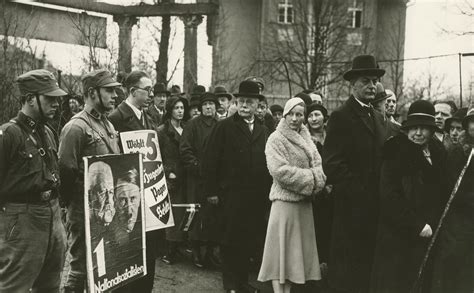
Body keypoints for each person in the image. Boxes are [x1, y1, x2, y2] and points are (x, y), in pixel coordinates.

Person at [322, 55, 388, 293]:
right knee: (347, 272)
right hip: (351, 210)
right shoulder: (342, 116)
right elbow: (332, 165)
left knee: (367, 270)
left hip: (375, 209)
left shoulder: (378, 117)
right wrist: (361, 193)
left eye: (374, 81)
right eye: (366, 81)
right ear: (353, 84)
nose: (372, 86)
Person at [370, 100, 448, 293]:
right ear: (407, 129)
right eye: (414, 128)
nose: (418, 133)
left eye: (424, 128)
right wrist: (417, 225)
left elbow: (443, 190)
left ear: (431, 130)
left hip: (429, 234)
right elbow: (390, 197)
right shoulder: (395, 152)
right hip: (399, 237)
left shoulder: (438, 153)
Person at [201, 80, 272, 293]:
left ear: (258, 104)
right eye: (240, 101)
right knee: (230, 241)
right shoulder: (224, 127)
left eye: (248, 102)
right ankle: (230, 285)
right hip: (230, 196)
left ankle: (242, 282)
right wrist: (211, 191)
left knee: (247, 240)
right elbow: (209, 160)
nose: (243, 105)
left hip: (255, 198)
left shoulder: (263, 130)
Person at [0, 69, 66, 292]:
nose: (57, 104)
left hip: (52, 216)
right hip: (22, 221)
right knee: (14, 286)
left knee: (50, 285)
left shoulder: (47, 132)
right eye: (50, 98)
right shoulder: (9, 134)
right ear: (30, 99)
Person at [59, 69, 121, 293]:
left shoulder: (108, 125)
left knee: (101, 266)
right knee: (80, 267)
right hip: (81, 209)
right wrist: (69, 207)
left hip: (104, 208)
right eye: (109, 91)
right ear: (93, 93)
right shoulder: (76, 127)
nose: (115, 95)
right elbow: (65, 169)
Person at [257, 98, 326, 293]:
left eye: (299, 114)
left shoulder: (307, 138)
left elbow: (319, 166)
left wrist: (316, 178)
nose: (295, 119)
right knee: (280, 259)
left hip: (303, 206)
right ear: (285, 115)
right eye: (291, 114)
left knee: (293, 259)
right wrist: (311, 179)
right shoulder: (275, 139)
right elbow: (280, 171)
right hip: (285, 205)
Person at [108, 71, 159, 292]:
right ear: (132, 91)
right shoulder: (116, 119)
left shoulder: (148, 117)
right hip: (128, 197)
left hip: (147, 195)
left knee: (147, 257)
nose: (151, 94)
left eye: (152, 90)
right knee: (127, 257)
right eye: (147, 90)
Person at [431, 106, 474, 293]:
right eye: (472, 122)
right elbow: (453, 190)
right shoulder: (458, 152)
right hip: (460, 222)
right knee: (456, 268)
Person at [180, 92, 220, 268]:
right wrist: (197, 166)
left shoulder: (221, 125)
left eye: (212, 104)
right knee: (195, 213)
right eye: (205, 105)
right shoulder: (192, 125)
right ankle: (196, 252)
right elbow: (185, 149)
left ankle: (210, 252)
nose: (208, 107)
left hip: (216, 179)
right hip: (196, 178)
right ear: (200, 107)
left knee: (213, 216)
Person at [157, 95, 190, 264]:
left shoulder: (187, 128)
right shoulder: (162, 131)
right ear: (170, 110)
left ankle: (178, 247)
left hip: (186, 175)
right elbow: (157, 155)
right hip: (171, 177)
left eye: (182, 108)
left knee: (184, 211)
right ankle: (169, 250)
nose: (180, 111)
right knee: (173, 213)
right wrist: (168, 171)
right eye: (176, 108)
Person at [305, 102, 333, 282]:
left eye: (317, 115)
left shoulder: (332, 137)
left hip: (332, 192)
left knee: (328, 230)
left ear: (324, 118)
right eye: (310, 116)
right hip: (314, 193)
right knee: (313, 231)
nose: (314, 119)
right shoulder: (305, 139)